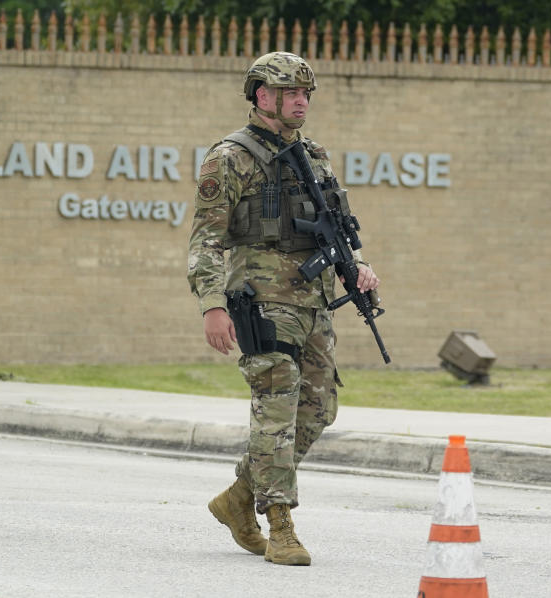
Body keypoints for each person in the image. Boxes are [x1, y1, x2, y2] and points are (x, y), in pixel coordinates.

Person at [186, 52, 380, 566]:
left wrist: (357, 266)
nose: (301, 101)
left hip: (313, 299)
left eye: (306, 93)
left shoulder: (313, 154)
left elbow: (338, 225)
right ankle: (282, 526)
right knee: (275, 406)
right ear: (261, 96)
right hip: (260, 299)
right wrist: (211, 305)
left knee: (317, 411)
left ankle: (237, 499)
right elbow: (205, 240)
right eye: (291, 92)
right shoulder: (228, 157)